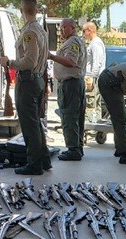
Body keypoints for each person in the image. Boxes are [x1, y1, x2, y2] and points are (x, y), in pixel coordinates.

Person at [1, 0, 50, 175]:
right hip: (37, 80)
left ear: (21, 10)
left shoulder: (29, 31)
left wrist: (9, 63)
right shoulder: (40, 30)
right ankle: (43, 159)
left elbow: (30, 61)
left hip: (28, 81)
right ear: (36, 10)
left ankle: (34, 164)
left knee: (29, 125)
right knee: (35, 123)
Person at [49, 19, 86, 161]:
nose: (62, 30)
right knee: (77, 117)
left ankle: (73, 149)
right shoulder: (76, 41)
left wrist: (52, 56)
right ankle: (78, 147)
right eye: (61, 28)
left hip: (70, 84)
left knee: (69, 116)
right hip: (75, 83)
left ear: (73, 28)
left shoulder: (72, 43)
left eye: (65, 27)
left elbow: (71, 62)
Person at [81, 21, 105, 122]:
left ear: (89, 30)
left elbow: (97, 62)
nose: (83, 34)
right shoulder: (93, 43)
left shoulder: (96, 43)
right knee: (92, 102)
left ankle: (91, 126)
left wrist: (92, 78)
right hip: (92, 77)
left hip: (93, 77)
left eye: (84, 31)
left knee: (91, 103)